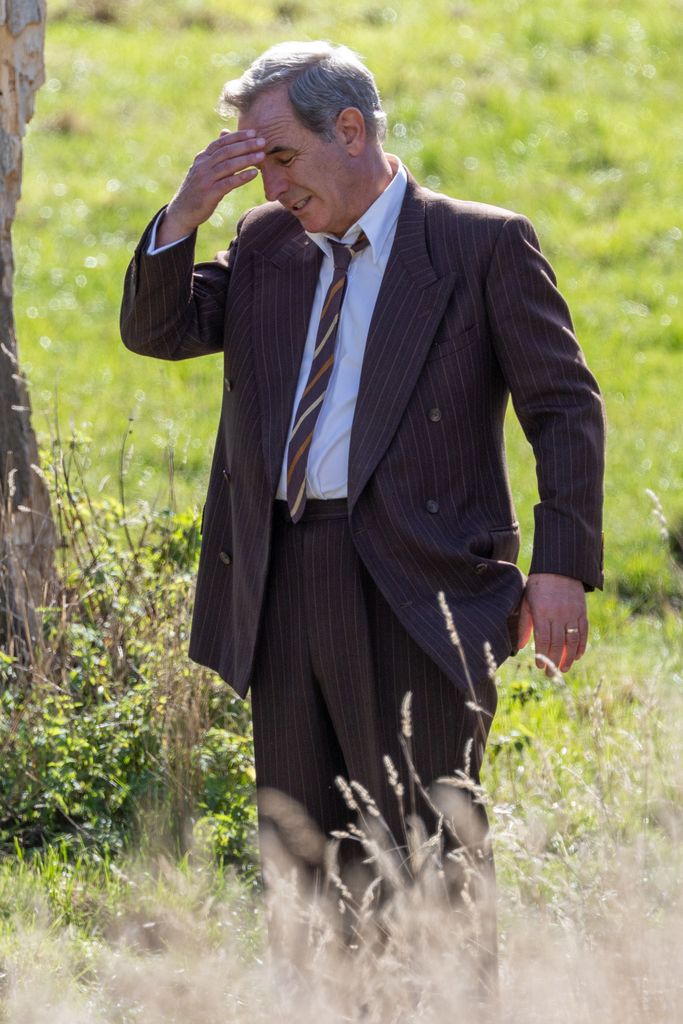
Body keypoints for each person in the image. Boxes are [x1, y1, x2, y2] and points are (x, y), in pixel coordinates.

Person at [120, 38, 604, 942]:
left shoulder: (479, 244)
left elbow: (564, 405)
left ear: (350, 129)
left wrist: (563, 565)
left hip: (422, 589)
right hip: (280, 580)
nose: (270, 190)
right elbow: (161, 330)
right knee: (303, 863)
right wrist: (186, 212)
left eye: (282, 161)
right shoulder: (266, 244)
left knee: (430, 853)